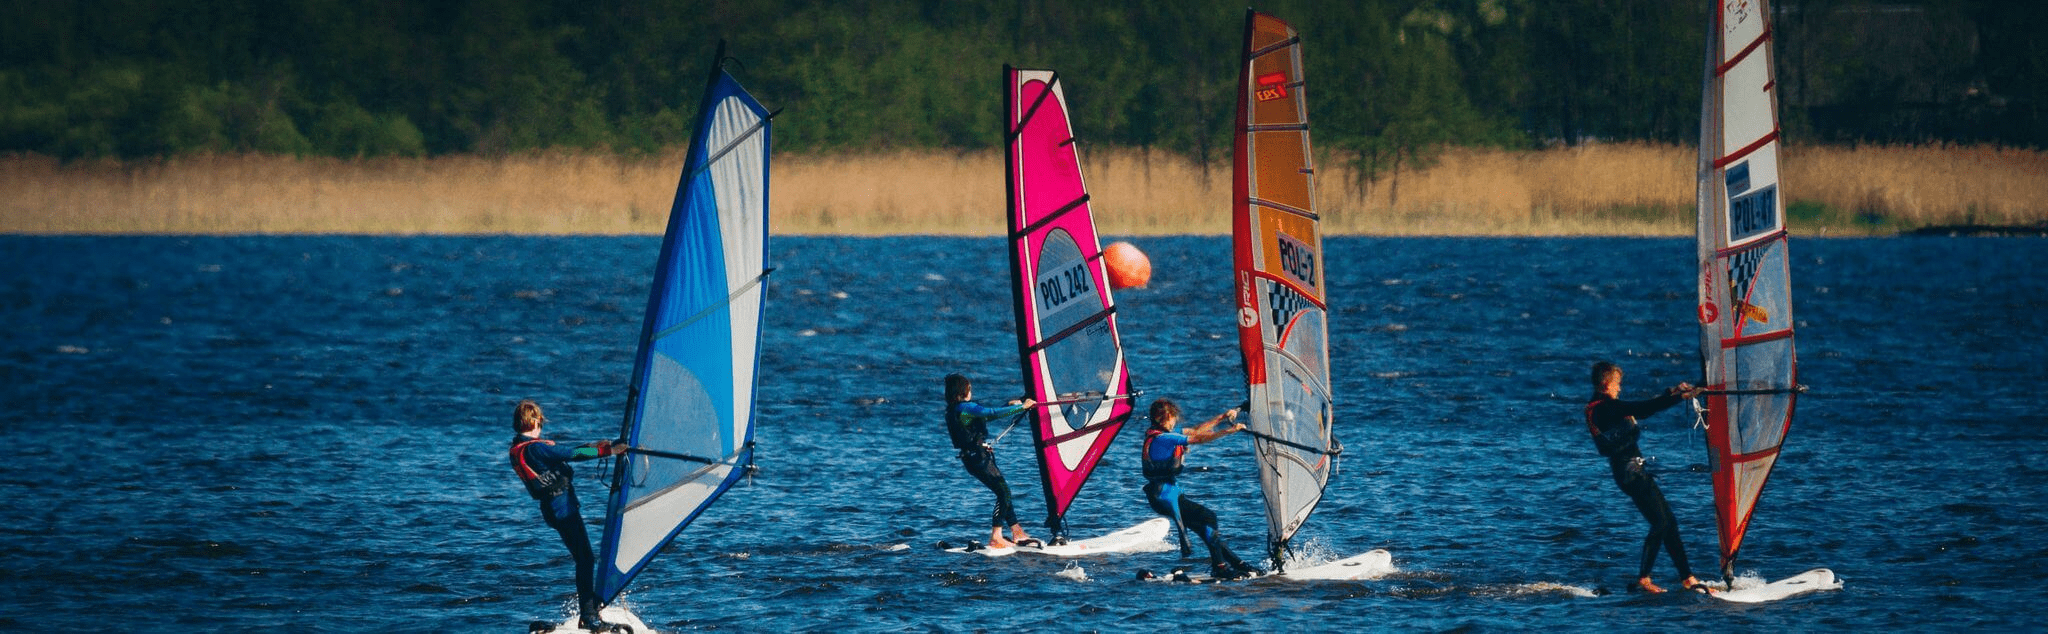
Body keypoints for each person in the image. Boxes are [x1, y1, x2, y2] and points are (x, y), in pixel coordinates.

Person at [1583, 361, 1715, 595]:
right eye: (1617, 384)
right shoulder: (1605, 408)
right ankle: (1644, 578)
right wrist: (1677, 397)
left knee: (1669, 522)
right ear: (1605, 385)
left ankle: (1688, 578)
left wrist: (1672, 393)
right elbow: (1643, 408)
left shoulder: (1605, 406)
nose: (1619, 389)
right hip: (1630, 474)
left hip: (1632, 472)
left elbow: (1642, 407)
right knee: (1661, 522)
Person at [509, 399, 632, 631]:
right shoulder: (536, 447)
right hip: (563, 509)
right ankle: (588, 616)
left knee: (583, 558)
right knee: (585, 559)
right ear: (535, 421)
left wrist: (596, 445)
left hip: (552, 509)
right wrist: (608, 451)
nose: (541, 426)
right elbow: (573, 453)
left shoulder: (520, 448)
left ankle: (589, 611)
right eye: (540, 422)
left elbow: (561, 454)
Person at [1141, 398, 1258, 579]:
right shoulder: (1163, 438)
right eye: (1173, 418)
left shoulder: (1164, 435)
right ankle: (1220, 566)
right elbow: (1197, 438)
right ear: (1164, 417)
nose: (1175, 422)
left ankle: (1236, 563)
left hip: (1167, 495)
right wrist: (1230, 430)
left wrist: (1222, 417)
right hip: (1164, 496)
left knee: (1204, 526)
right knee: (1208, 517)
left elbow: (1196, 430)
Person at [943, 374, 1040, 549]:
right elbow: (991, 414)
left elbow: (983, 416)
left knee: (1003, 491)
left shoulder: (956, 410)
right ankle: (996, 536)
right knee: (1003, 492)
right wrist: (1022, 407)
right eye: (969, 388)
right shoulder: (965, 407)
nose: (970, 391)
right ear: (963, 392)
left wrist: (1008, 406)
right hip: (977, 458)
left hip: (974, 457)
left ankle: (1017, 532)